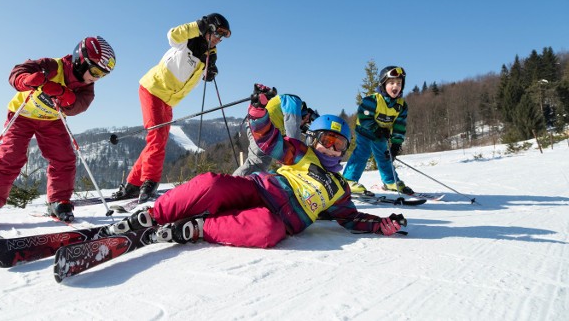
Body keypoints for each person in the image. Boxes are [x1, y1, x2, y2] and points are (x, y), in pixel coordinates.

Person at [104, 84, 406, 248]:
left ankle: (197, 228)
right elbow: (267, 142)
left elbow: (352, 219)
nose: (331, 147)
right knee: (212, 183)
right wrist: (259, 111)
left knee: (267, 230)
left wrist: (381, 225)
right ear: (314, 139)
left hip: (280, 220)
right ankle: (151, 215)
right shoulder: (302, 154)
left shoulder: (339, 190)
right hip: (260, 190)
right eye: (326, 140)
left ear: (344, 151)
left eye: (338, 145)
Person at [0, 37, 117, 228]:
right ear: (80, 61)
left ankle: (59, 202)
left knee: (64, 158)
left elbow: (79, 107)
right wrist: (26, 80)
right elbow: (17, 72)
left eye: (103, 75)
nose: (96, 77)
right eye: (95, 71)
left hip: (52, 120)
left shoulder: (87, 88)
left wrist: (64, 94)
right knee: (10, 157)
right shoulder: (51, 66)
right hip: (22, 115)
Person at [113, 13, 231, 203]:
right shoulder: (189, 38)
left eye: (224, 36)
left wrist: (210, 70)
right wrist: (197, 25)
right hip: (153, 89)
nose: (220, 38)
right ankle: (150, 182)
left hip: (169, 99)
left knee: (157, 141)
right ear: (208, 28)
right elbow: (172, 35)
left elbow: (206, 66)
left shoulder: (211, 53)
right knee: (157, 138)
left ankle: (133, 184)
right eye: (218, 33)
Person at [343, 65, 412, 195]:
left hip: (381, 134)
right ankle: (349, 180)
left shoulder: (401, 106)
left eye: (399, 83)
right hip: (365, 131)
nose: (395, 86)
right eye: (391, 83)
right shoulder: (372, 100)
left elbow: (399, 126)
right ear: (383, 84)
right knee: (363, 153)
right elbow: (364, 116)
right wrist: (376, 129)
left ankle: (390, 181)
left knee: (385, 156)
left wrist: (396, 144)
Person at [232, 94, 318, 176]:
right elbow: (293, 138)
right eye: (305, 121)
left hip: (262, 128)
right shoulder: (294, 101)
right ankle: (234, 184)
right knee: (257, 163)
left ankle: (245, 186)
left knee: (262, 163)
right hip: (260, 125)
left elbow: (284, 146)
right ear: (307, 115)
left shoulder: (283, 122)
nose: (302, 124)